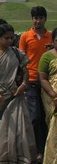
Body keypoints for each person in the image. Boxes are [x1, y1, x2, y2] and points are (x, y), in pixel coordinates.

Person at [0, 23, 36, 162]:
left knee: (19, 128)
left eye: (12, 38)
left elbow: (25, 71)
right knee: (0, 128)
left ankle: (20, 156)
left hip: (15, 95)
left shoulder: (17, 53)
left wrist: (24, 84)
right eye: (6, 38)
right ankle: (3, 157)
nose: (10, 41)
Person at [19, 6, 51, 162]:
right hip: (31, 80)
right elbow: (21, 59)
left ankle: (45, 149)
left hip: (48, 81)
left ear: (45, 19)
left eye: (40, 18)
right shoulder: (25, 36)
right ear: (32, 19)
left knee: (47, 116)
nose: (38, 21)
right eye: (35, 18)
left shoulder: (51, 37)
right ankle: (36, 149)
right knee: (35, 117)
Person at [38, 28, 57, 163]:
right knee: (54, 125)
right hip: (51, 95)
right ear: (53, 41)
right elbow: (43, 78)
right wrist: (54, 95)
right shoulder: (47, 56)